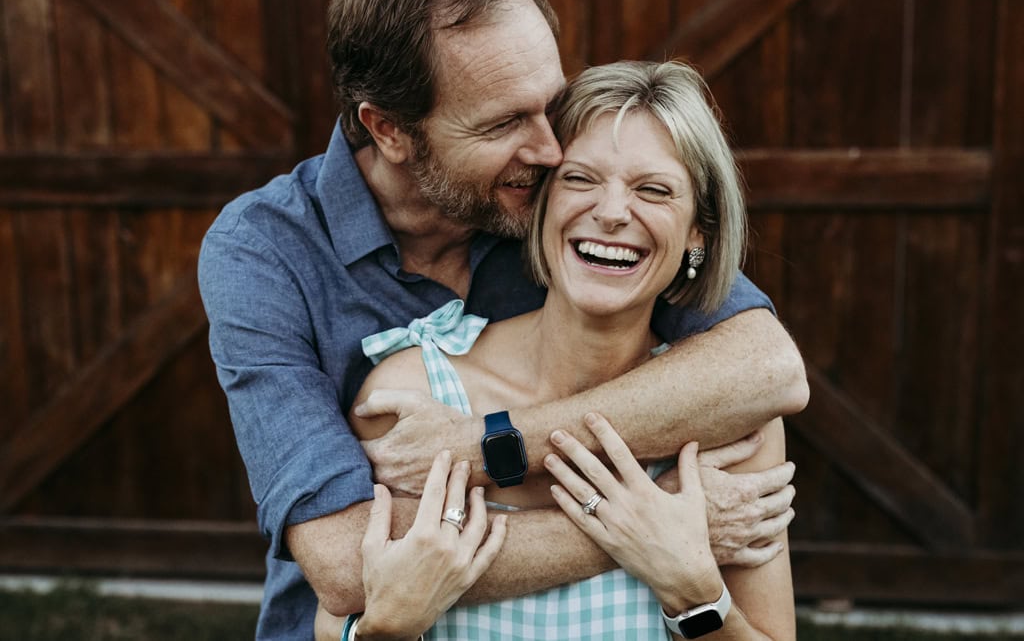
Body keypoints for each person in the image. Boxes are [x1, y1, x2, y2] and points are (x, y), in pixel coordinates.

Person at [197, 0, 808, 638]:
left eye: (550, 103)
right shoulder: (264, 251)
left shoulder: (557, 201)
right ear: (390, 129)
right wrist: (653, 519)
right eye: (503, 124)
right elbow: (347, 559)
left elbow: (767, 367)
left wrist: (489, 447)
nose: (550, 148)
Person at [316, 59, 795, 640]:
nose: (613, 213)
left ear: (699, 232)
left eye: (653, 190)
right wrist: (388, 628)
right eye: (580, 179)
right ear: (539, 206)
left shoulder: (730, 426)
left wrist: (692, 590)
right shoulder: (415, 400)